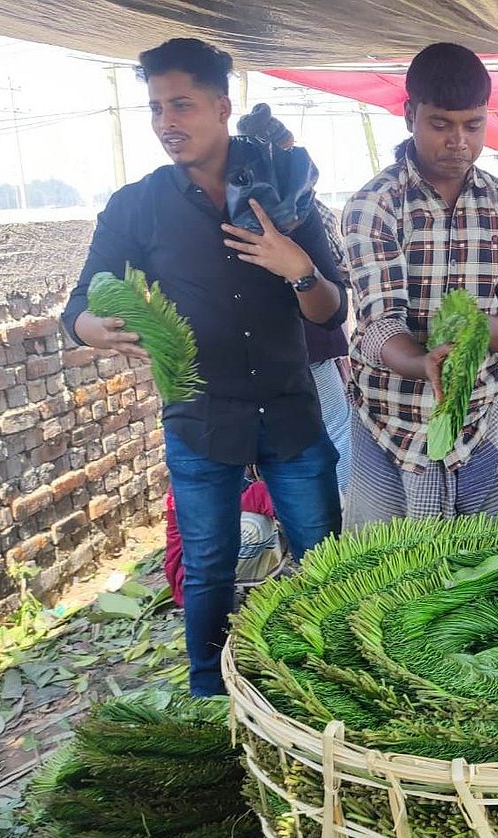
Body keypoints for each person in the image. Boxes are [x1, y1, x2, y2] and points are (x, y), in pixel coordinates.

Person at [62, 38, 346, 697]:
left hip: (289, 412)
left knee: (324, 560)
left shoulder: (284, 188)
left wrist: (297, 269)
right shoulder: (138, 206)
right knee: (209, 566)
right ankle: (207, 695)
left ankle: (326, 687)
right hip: (200, 418)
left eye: (182, 104)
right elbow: (77, 302)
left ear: (222, 106)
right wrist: (92, 326)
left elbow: (331, 312)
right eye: (156, 107)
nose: (166, 121)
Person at [342, 42, 498, 525]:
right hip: (390, 423)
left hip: (477, 420)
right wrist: (422, 362)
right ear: (410, 113)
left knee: (489, 566)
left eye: (473, 126)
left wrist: (474, 328)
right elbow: (378, 325)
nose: (459, 141)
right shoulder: (377, 204)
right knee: (388, 576)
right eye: (441, 125)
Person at [236, 102, 353, 495]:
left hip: (268, 349)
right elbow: (338, 264)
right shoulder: (301, 203)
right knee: (336, 427)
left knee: (285, 444)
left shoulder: (238, 205)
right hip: (310, 339)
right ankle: (348, 523)